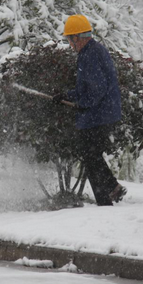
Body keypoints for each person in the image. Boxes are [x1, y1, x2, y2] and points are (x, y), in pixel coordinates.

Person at [53, 14, 127, 206]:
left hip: (100, 114)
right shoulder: (89, 53)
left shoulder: (91, 55)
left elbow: (97, 88)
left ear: (78, 37)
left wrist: (83, 104)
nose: (70, 44)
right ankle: (106, 198)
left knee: (90, 155)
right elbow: (85, 88)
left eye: (70, 39)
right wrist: (66, 96)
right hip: (100, 113)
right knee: (90, 156)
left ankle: (111, 189)